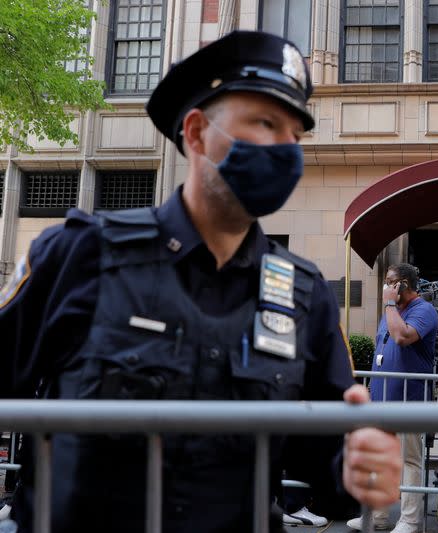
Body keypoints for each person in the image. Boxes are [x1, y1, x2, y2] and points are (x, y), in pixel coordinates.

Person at [0, 31, 402, 533]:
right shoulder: (80, 254)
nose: (286, 150)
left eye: (295, 135)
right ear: (195, 133)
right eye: (265, 123)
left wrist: (360, 464)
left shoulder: (305, 296)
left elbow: (327, 476)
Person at [347, 263, 438, 533]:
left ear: (405, 285)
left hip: (409, 399)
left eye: (391, 282)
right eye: (386, 282)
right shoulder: (391, 311)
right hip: (382, 398)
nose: (386, 286)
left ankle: (410, 519)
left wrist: (388, 305)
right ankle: (377, 516)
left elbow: (402, 337)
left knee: (409, 459)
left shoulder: (424, 310)